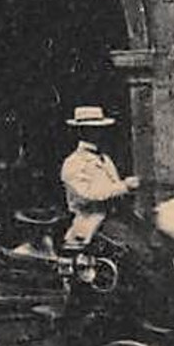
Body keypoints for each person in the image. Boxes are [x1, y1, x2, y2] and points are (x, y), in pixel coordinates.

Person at [60, 105, 138, 250]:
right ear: (81, 131)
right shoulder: (74, 163)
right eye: (93, 129)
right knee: (137, 250)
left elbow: (112, 187)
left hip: (114, 219)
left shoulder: (104, 159)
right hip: (91, 223)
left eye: (101, 129)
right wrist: (124, 186)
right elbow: (88, 194)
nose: (100, 133)